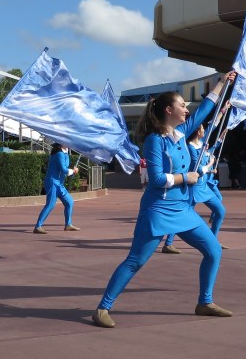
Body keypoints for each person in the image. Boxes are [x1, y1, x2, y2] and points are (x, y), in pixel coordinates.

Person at [91, 71, 235, 329]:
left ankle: (205, 302)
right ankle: (103, 307)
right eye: (182, 105)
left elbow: (204, 110)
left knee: (213, 251)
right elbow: (156, 179)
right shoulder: (154, 142)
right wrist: (186, 177)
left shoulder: (182, 133)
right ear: (169, 110)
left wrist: (223, 83)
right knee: (136, 260)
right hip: (157, 210)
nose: (186, 110)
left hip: (183, 208)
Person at [33, 143, 80, 234]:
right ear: (61, 142)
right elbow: (63, 169)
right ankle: (38, 226)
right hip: (53, 182)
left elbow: (65, 170)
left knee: (69, 202)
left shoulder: (64, 154)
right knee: (50, 204)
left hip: (59, 183)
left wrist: (73, 172)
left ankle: (68, 224)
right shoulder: (59, 154)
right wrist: (73, 171)